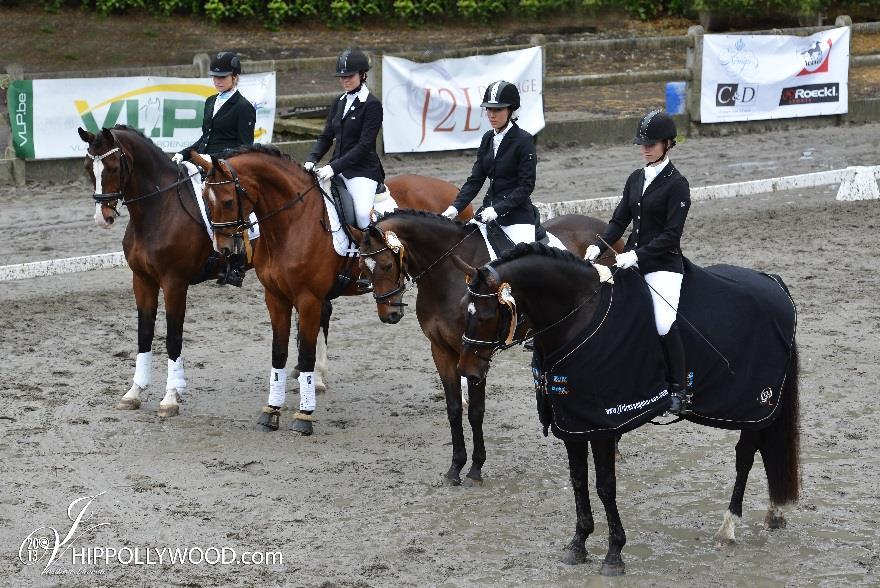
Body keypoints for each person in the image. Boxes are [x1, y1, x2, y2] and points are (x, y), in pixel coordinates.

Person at [585, 110, 691, 414]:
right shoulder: (636, 178)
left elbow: (671, 235)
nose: (645, 148)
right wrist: (597, 245)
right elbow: (619, 220)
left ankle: (680, 390)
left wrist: (638, 254)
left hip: (663, 264)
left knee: (662, 321)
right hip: (630, 260)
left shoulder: (677, 184)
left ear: (668, 143)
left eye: (652, 144)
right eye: (643, 144)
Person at [173, 51, 256, 288]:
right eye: (215, 77)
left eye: (223, 76)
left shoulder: (243, 107)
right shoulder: (211, 101)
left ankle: (237, 263)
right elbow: (205, 138)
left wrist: (213, 160)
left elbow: (244, 147)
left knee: (225, 205)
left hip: (227, 167)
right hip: (205, 160)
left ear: (235, 77)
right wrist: (186, 152)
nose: (218, 80)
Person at [442, 80, 537, 245]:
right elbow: (475, 180)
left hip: (517, 217)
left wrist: (497, 210)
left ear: (510, 110)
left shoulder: (524, 140)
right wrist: (455, 208)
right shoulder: (487, 138)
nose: (492, 115)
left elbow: (526, 186)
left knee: (521, 263)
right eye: (489, 109)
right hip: (487, 212)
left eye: (498, 110)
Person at [304, 48, 385, 232]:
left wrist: (333, 167)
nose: (345, 80)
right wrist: (311, 159)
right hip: (337, 169)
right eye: (342, 76)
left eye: (350, 75)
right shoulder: (338, 102)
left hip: (362, 171)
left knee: (364, 215)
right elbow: (326, 137)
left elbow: (364, 146)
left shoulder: (372, 105)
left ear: (363, 75)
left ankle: (371, 255)